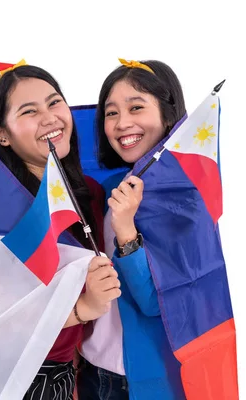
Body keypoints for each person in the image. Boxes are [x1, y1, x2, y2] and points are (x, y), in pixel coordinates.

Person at [0, 60, 125, 400]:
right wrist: (83, 309)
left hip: (67, 375)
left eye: (54, 102)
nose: (50, 118)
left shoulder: (89, 193)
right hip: (11, 375)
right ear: (2, 133)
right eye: (29, 111)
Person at [77, 59, 188, 399]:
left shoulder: (185, 195)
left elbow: (159, 303)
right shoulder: (107, 186)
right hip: (90, 369)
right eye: (111, 113)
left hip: (141, 380)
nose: (122, 123)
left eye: (136, 107)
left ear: (168, 115)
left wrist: (125, 230)